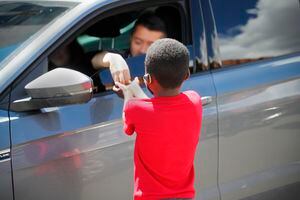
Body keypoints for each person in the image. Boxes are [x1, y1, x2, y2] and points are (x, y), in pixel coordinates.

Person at [115, 38, 203, 200]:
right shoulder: (195, 101)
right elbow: (158, 112)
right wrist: (137, 93)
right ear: (186, 75)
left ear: (148, 79)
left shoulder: (134, 108)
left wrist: (129, 93)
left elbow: (128, 125)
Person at [91, 12, 167, 85]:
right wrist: (112, 59)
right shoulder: (122, 58)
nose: (142, 50)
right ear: (131, 39)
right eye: (138, 42)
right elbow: (95, 60)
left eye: (151, 45)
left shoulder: (169, 69)